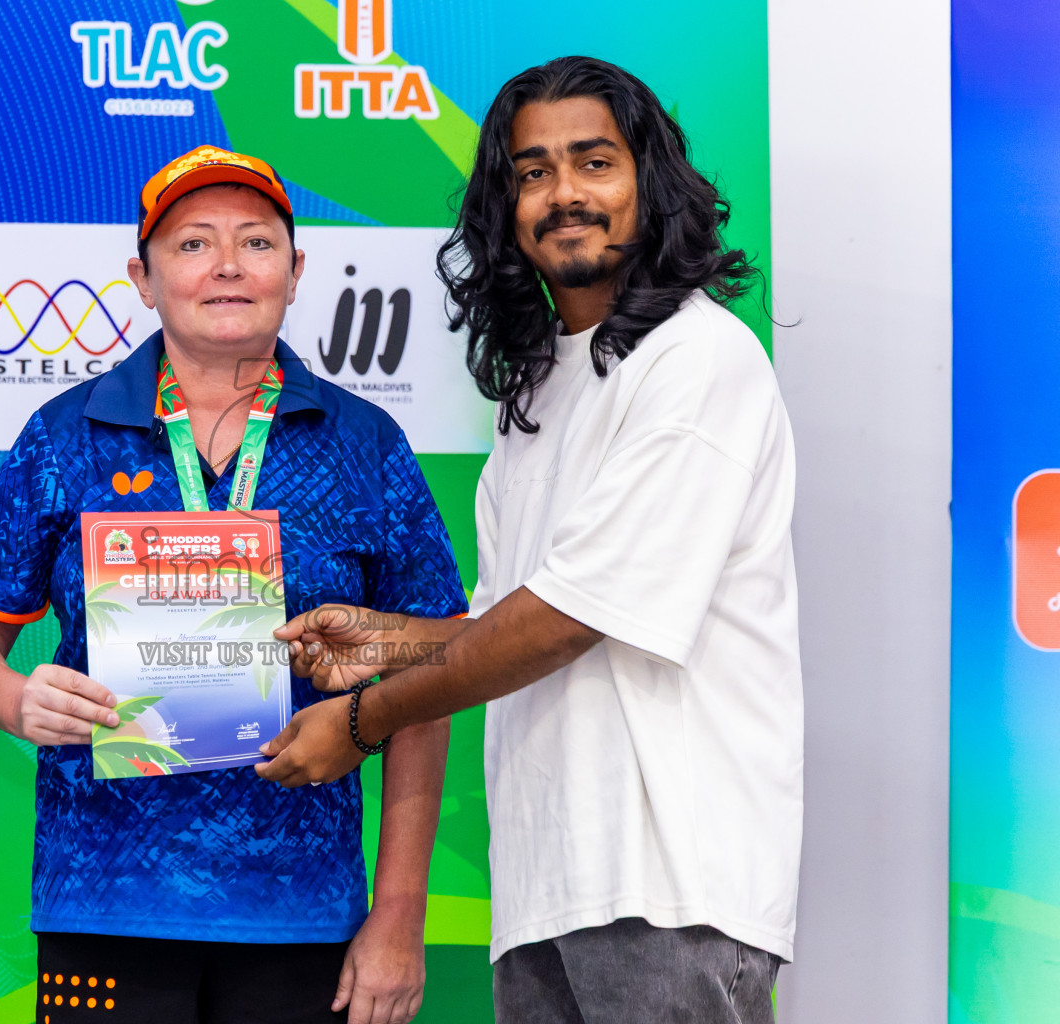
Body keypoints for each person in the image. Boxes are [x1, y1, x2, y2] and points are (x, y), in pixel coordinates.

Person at [257, 57, 801, 1024]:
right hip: (546, 885)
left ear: (650, 182)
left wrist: (364, 720)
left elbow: (566, 620)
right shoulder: (540, 385)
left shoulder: (697, 357)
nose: (564, 195)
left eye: (594, 162)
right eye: (533, 173)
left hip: (668, 888)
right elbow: (509, 618)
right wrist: (381, 639)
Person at [0, 145, 467, 1024]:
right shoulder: (65, 435)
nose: (226, 265)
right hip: (104, 904)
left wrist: (400, 915)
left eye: (255, 242)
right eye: (192, 244)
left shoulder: (364, 443)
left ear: (295, 271)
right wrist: (14, 698)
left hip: (306, 917)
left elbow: (430, 681)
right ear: (142, 279)